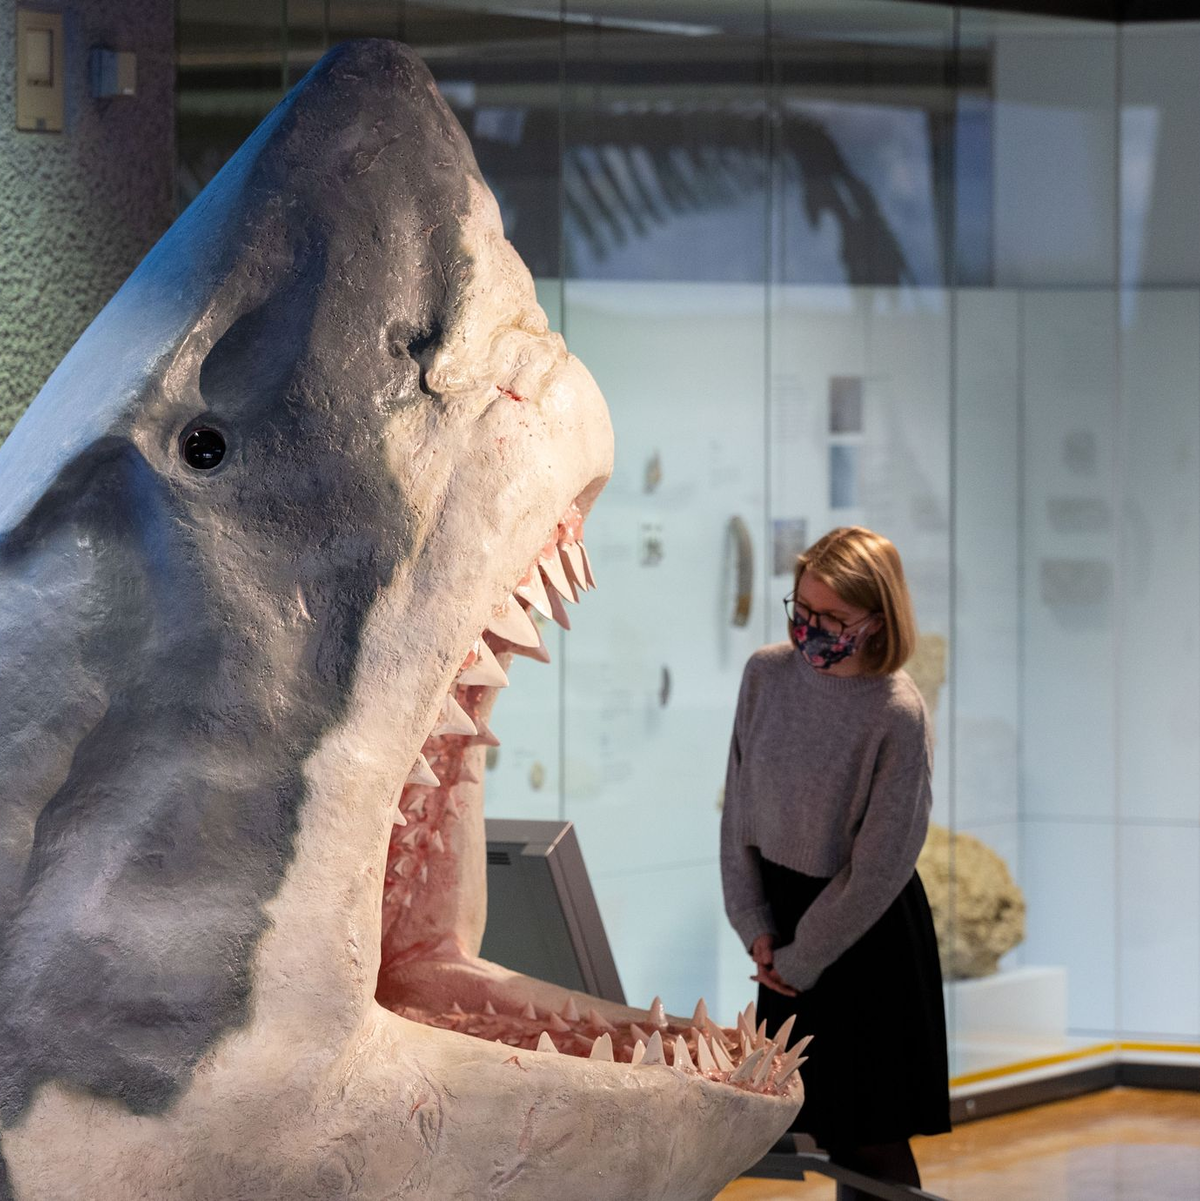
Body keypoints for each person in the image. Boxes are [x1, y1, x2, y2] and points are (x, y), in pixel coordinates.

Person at [720, 525, 950, 1199]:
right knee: (817, 1127)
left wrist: (802, 956)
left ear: (877, 620)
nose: (810, 629)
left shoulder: (897, 712)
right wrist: (752, 920)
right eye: (801, 611)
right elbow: (738, 808)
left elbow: (881, 863)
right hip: (781, 924)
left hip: (864, 936)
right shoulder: (765, 674)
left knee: (872, 1140)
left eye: (830, 619)